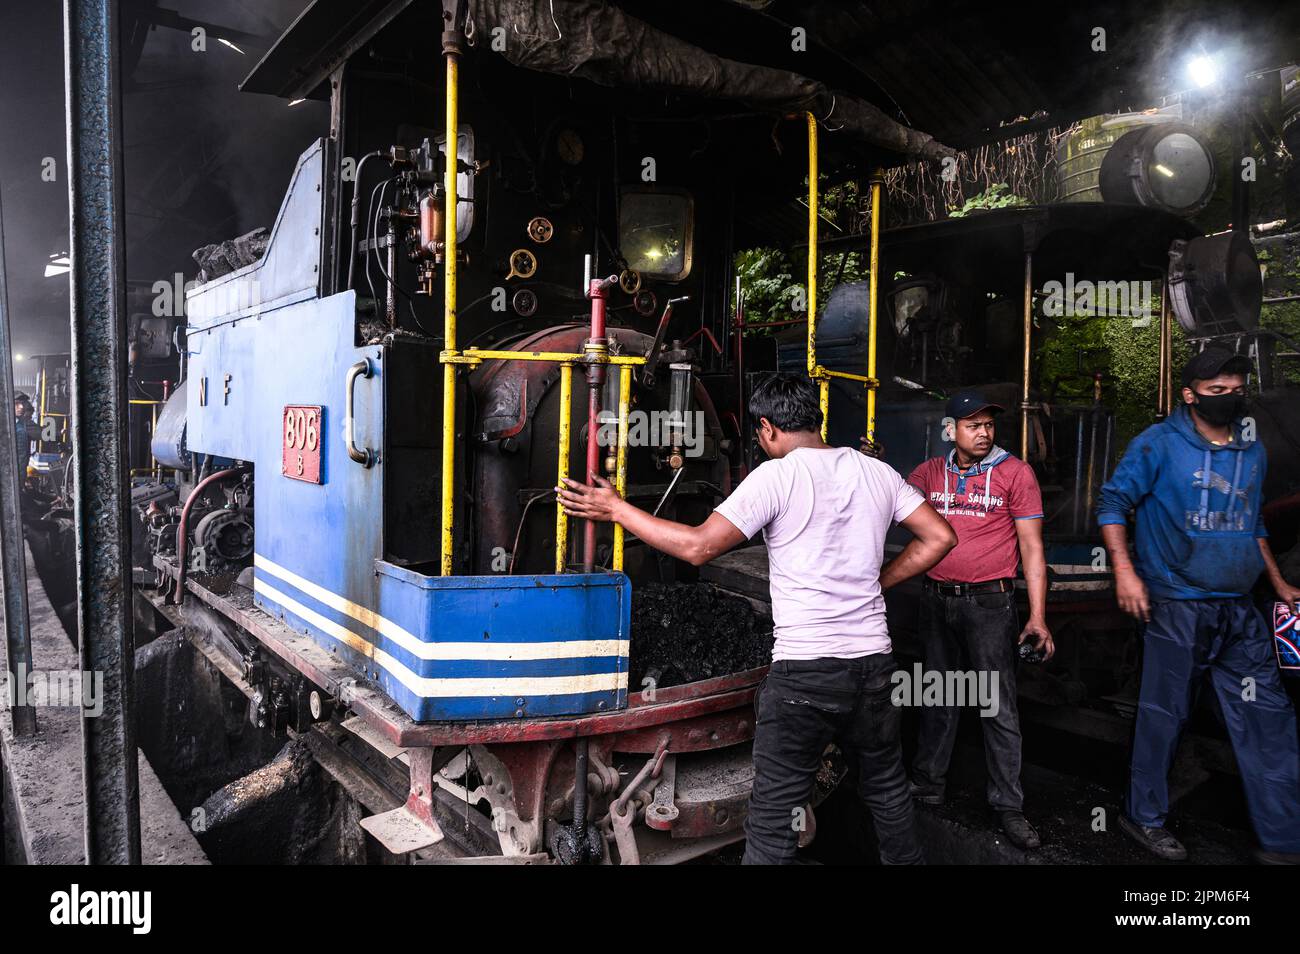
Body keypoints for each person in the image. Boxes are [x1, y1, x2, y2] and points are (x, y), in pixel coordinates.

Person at [557, 373, 957, 864]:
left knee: (772, 821)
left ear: (767, 429)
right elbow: (940, 537)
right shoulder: (878, 472)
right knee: (888, 793)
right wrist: (879, 582)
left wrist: (618, 508)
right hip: (874, 666)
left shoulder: (777, 476)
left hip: (805, 674)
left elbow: (699, 546)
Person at [1097, 347, 1300, 864]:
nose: (1230, 399)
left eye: (1236, 390)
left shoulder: (1251, 450)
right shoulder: (1159, 445)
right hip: (1177, 606)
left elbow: (1251, 521)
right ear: (1189, 395)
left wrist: (1276, 582)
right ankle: (1142, 817)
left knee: (1269, 718)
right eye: (1217, 392)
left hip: (1239, 610)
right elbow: (1113, 503)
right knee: (1165, 716)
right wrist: (1125, 571)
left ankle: (1284, 839)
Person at [901, 390, 1051, 850]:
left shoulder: (1015, 473)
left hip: (990, 604)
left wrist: (1038, 617)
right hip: (936, 599)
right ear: (951, 430)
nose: (984, 432)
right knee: (938, 695)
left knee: (996, 704)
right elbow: (882, 499)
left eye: (988, 424)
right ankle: (929, 784)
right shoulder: (928, 473)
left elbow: (1032, 547)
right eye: (973, 425)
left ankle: (1008, 805)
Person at [13, 391, 33, 480]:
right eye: (17, 404)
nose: (21, 407)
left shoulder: (23, 423)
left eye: (22, 404)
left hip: (20, 477)